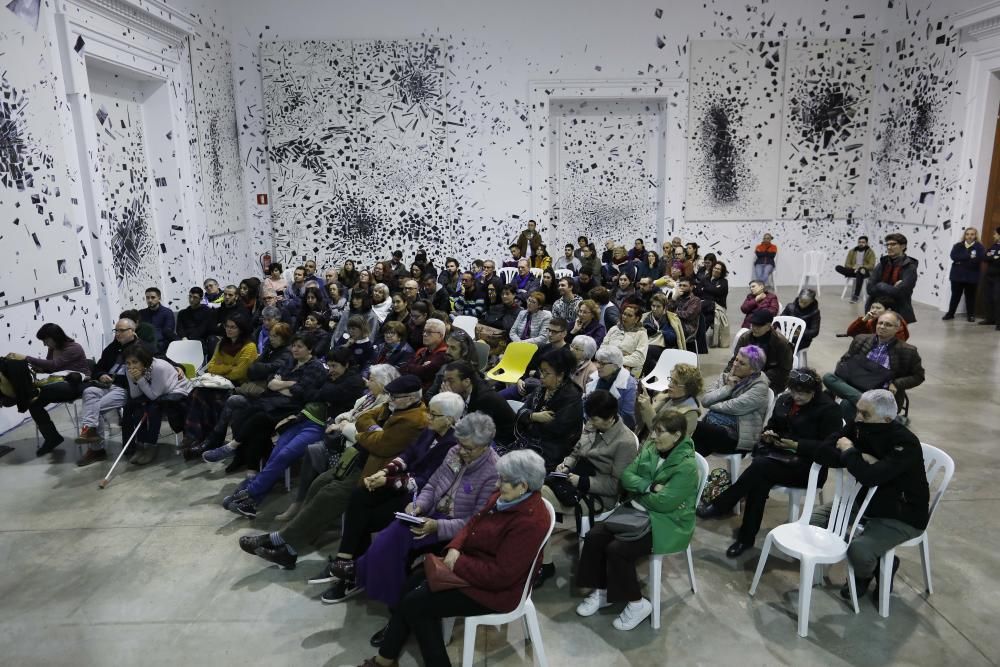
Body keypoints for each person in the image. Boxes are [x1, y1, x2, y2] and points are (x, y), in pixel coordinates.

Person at [356, 450, 549, 667]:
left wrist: (456, 562)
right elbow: (472, 523)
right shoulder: (504, 497)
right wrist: (455, 547)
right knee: (411, 586)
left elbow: (502, 575)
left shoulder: (530, 522)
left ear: (523, 486)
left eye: (504, 480)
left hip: (496, 591)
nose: (498, 483)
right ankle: (386, 659)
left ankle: (387, 660)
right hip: (472, 564)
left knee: (416, 604)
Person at [239, 375, 429, 569]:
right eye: (390, 395)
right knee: (319, 483)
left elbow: (380, 445)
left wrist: (364, 434)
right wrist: (372, 431)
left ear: (412, 397)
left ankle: (279, 540)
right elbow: (363, 417)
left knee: (329, 495)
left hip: (375, 471)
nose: (390, 400)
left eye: (396, 397)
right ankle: (290, 548)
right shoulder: (394, 407)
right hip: (357, 460)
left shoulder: (414, 419)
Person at [325, 411, 500, 611]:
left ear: (485, 446)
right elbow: (432, 485)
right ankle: (392, 601)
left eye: (468, 448)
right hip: (431, 513)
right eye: (459, 444)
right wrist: (419, 505)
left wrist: (437, 526)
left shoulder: (493, 472)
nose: (461, 451)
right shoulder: (455, 452)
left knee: (396, 538)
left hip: (454, 528)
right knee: (392, 531)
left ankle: (360, 572)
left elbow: (475, 522)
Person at [309, 392, 467, 601]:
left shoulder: (453, 445)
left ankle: (349, 574)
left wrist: (389, 480)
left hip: (419, 499)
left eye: (434, 414)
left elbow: (427, 481)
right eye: (429, 412)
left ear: (449, 420)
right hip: (402, 485)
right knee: (360, 495)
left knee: (364, 517)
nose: (428, 417)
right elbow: (408, 454)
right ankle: (345, 561)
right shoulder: (431, 432)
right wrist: (384, 472)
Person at [696, 368, 841, 558]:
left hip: (807, 467)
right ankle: (745, 539)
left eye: (803, 393)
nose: (797, 396)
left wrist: (797, 445)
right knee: (759, 480)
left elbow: (830, 449)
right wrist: (770, 434)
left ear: (814, 392)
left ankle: (723, 505)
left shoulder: (828, 410)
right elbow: (773, 424)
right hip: (777, 458)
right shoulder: (785, 400)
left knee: (759, 468)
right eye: (794, 391)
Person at [575, 409, 699, 631]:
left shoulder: (686, 466)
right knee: (595, 536)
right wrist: (648, 487)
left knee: (617, 549)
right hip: (636, 511)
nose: (652, 437)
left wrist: (639, 490)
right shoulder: (652, 448)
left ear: (677, 435)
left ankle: (637, 604)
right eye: (653, 431)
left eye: (660, 432)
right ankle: (603, 591)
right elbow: (627, 476)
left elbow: (665, 504)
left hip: (667, 522)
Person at [811, 389, 929, 602]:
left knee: (858, 550)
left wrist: (849, 453)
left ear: (886, 419)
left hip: (900, 513)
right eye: (857, 411)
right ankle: (877, 557)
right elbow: (822, 452)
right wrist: (859, 457)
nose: (857, 417)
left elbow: (870, 477)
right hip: (863, 500)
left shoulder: (905, 443)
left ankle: (866, 573)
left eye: (865, 414)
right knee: (814, 522)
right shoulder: (859, 426)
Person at [224, 348, 367, 518]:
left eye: (335, 366)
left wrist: (316, 393)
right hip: (303, 417)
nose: (331, 370)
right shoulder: (329, 377)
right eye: (328, 366)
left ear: (347, 365)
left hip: (322, 426)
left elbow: (317, 393)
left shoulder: (354, 382)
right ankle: (251, 502)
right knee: (275, 455)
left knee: (285, 455)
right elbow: (306, 393)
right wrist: (315, 394)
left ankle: (248, 493)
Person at [539, 390, 638, 583]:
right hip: (574, 480)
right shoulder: (594, 425)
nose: (589, 423)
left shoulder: (625, 442)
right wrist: (566, 463)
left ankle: (545, 563)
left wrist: (582, 481)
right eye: (589, 418)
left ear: (610, 418)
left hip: (599, 495)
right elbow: (576, 452)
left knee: (539, 504)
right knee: (536, 494)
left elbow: (617, 486)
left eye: (595, 419)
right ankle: (541, 559)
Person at [201, 335, 327, 470]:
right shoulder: (291, 361)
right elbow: (271, 382)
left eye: (299, 347)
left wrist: (281, 384)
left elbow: (300, 392)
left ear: (310, 349)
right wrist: (289, 383)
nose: (294, 349)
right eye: (293, 346)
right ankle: (250, 468)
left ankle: (233, 447)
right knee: (246, 420)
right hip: (272, 400)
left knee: (257, 418)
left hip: (292, 408)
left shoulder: (316, 367)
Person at [74, 319, 151, 466]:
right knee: (89, 392)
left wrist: (179, 367)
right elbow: (97, 368)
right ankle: (92, 438)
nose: (118, 334)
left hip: (125, 388)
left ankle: (93, 441)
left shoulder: (142, 347)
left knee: (95, 408)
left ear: (132, 331)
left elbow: (159, 359)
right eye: (116, 330)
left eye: (122, 330)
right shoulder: (111, 348)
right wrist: (101, 374)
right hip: (106, 384)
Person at [823, 310, 925, 422]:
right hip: (855, 384)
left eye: (888, 325)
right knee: (828, 377)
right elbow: (844, 360)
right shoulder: (861, 339)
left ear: (897, 328)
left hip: (879, 392)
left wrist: (897, 383)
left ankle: (859, 417)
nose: (882, 327)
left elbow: (918, 376)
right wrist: (844, 370)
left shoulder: (907, 351)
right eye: (880, 323)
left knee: (847, 404)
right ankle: (865, 403)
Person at [179, 315, 258, 454]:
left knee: (213, 398)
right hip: (216, 382)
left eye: (233, 327)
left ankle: (210, 439)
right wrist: (229, 366)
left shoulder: (249, 347)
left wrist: (223, 367)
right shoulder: (221, 343)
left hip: (236, 385)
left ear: (241, 329)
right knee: (196, 393)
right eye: (227, 326)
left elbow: (239, 373)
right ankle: (195, 436)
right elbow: (211, 367)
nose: (229, 330)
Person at [10, 323, 90, 455]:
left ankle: (52, 438)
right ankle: (52, 438)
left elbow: (54, 364)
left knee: (39, 392)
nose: (44, 344)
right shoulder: (53, 348)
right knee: (33, 402)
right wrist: (40, 369)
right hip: (60, 383)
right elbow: (51, 367)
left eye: (45, 340)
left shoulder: (74, 348)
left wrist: (26, 358)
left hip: (77, 383)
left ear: (55, 337)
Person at [510, 347, 583, 468]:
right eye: (540, 371)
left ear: (560, 375)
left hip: (551, 450)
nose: (541, 376)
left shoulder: (571, 398)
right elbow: (521, 412)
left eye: (546, 373)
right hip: (530, 441)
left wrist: (528, 419)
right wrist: (534, 416)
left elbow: (554, 430)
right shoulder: (542, 389)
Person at [693, 345, 770, 456]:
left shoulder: (759, 387)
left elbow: (731, 407)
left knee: (691, 426)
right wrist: (728, 388)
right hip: (714, 427)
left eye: (742, 363)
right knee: (691, 447)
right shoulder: (726, 376)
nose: (735, 364)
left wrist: (711, 404)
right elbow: (705, 400)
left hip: (738, 437)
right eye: (736, 359)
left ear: (753, 369)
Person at [120, 345, 192, 465]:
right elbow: (135, 395)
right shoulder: (129, 370)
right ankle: (140, 445)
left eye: (135, 362)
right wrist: (134, 380)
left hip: (176, 391)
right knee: (138, 409)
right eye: (128, 363)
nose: (131, 366)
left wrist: (140, 379)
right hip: (155, 392)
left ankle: (151, 445)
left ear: (144, 360)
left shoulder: (159, 367)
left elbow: (154, 395)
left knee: (153, 409)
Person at [440, 361, 516, 448]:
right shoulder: (465, 391)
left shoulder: (484, 399)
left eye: (450, 381)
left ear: (466, 382)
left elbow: (473, 432)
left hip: (501, 442)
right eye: (444, 381)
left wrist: (451, 402)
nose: (446, 385)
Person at [726, 310, 793, 392]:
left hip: (772, 382)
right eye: (753, 324)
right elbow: (735, 359)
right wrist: (728, 375)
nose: (754, 328)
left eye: (759, 326)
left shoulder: (781, 343)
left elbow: (784, 370)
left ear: (768, 326)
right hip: (746, 376)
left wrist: (756, 378)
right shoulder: (745, 338)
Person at [635, 362, 703, 436]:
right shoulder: (670, 398)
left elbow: (662, 438)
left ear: (688, 388)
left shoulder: (690, 414)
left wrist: (648, 409)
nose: (669, 385)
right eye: (671, 380)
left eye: (676, 383)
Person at [866, 233, 919, 323]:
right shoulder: (882, 264)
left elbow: (901, 293)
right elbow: (870, 289)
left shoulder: (910, 267)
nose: (889, 247)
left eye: (893, 244)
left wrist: (879, 286)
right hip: (875, 310)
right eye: (888, 245)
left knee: (895, 337)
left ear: (903, 246)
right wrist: (883, 286)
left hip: (898, 311)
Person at [585, 347, 638, 429]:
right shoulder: (595, 376)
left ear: (615, 366)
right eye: (597, 361)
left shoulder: (629, 386)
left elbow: (627, 417)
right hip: (591, 422)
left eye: (602, 363)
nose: (598, 366)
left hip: (612, 428)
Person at [944, 227, 986, 321]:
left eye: (972, 234)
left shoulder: (980, 247)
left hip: (972, 277)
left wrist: (961, 260)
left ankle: (970, 315)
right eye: (967, 234)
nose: (969, 236)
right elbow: (954, 256)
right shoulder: (957, 245)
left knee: (970, 297)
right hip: (957, 276)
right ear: (965, 235)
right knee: (955, 296)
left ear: (975, 236)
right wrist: (968, 256)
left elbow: (978, 260)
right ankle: (950, 313)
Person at [599, 302, 648, 378]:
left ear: (637, 319)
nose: (625, 317)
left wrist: (616, 361)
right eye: (624, 314)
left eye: (629, 315)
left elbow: (639, 358)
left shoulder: (641, 334)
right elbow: (602, 348)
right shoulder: (614, 329)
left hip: (627, 367)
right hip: (606, 363)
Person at [401, 318, 449, 390]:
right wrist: (419, 368)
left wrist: (412, 367)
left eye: (429, 332)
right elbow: (404, 367)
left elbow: (425, 372)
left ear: (440, 335)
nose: (424, 334)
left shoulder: (444, 354)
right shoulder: (422, 350)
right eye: (424, 331)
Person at [845, 296, 910, 341]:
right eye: (872, 307)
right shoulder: (872, 321)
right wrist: (863, 320)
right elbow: (850, 332)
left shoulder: (897, 323)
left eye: (878, 308)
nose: (873, 310)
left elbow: (898, 344)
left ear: (888, 310)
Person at [835, 236, 877, 303]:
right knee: (838, 267)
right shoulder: (852, 251)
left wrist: (861, 266)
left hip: (865, 271)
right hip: (853, 270)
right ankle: (856, 271)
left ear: (866, 243)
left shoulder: (870, 252)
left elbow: (871, 265)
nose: (861, 244)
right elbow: (847, 264)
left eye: (863, 242)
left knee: (861, 271)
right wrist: (854, 267)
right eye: (859, 242)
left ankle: (856, 296)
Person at [175, 287, 215, 356]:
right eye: (190, 296)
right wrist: (184, 337)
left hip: (200, 340)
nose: (191, 299)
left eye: (195, 297)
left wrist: (190, 340)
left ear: (201, 299)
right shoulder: (183, 313)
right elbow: (179, 328)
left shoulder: (208, 312)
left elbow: (204, 329)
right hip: (185, 340)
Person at [139, 287, 175, 354]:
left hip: (161, 345)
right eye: (147, 297)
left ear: (159, 298)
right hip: (144, 345)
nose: (149, 300)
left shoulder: (167, 312)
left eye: (153, 297)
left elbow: (168, 332)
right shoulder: (141, 313)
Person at [666, 276, 702, 342]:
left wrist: (673, 313)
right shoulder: (677, 297)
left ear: (691, 287)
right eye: (680, 285)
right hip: (673, 324)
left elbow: (688, 315)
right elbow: (666, 310)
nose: (681, 287)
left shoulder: (695, 300)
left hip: (687, 327)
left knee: (667, 335)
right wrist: (674, 298)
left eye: (684, 286)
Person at [980, 227, 1000, 328]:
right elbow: (984, 257)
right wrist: (994, 257)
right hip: (989, 276)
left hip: (998, 277)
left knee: (997, 299)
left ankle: (999, 322)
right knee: (987, 297)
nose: (994, 235)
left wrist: (992, 257)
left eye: (995, 234)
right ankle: (989, 318)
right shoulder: (994, 246)